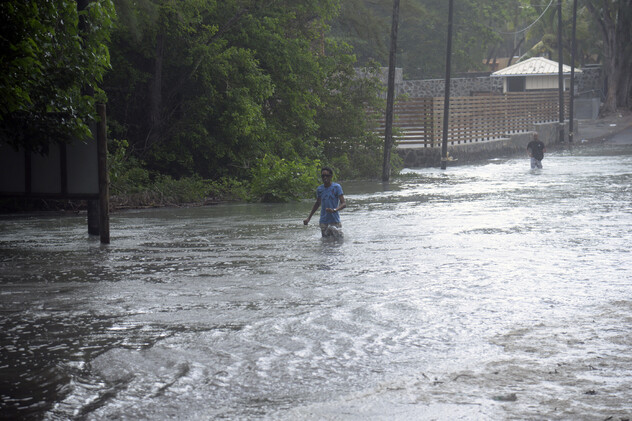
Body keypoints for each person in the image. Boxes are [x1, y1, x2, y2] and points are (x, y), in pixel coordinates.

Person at [303, 167, 346, 237]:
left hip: (335, 220)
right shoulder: (319, 189)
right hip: (323, 221)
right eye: (323, 176)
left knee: (338, 242)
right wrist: (308, 218)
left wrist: (334, 210)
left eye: (327, 176)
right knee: (325, 243)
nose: (325, 178)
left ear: (331, 176)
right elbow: (317, 203)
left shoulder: (337, 187)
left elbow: (344, 204)